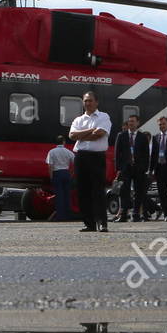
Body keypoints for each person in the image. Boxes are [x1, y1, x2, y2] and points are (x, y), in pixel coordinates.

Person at [69, 91, 112, 232]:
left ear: (96, 102)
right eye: (85, 101)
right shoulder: (78, 120)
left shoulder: (104, 116)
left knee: (98, 191)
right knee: (82, 191)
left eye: (90, 100)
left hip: (96, 157)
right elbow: (71, 135)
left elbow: (99, 134)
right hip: (80, 157)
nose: (87, 103)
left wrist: (81, 136)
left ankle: (102, 222)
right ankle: (89, 223)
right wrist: (90, 131)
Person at [114, 114, 151, 222]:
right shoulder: (122, 135)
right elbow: (117, 153)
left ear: (138, 123)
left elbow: (146, 154)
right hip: (126, 168)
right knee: (124, 191)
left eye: (133, 121)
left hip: (139, 168)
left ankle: (136, 214)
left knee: (138, 192)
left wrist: (145, 168)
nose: (131, 123)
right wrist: (118, 168)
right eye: (129, 121)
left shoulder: (142, 137)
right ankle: (124, 214)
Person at [46, 135, 74, 221]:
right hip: (66, 173)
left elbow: (50, 165)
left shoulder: (52, 152)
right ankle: (68, 215)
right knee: (67, 195)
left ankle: (60, 216)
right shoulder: (68, 152)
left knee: (59, 196)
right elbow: (75, 162)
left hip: (57, 173)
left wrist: (51, 177)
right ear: (64, 142)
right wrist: (71, 173)